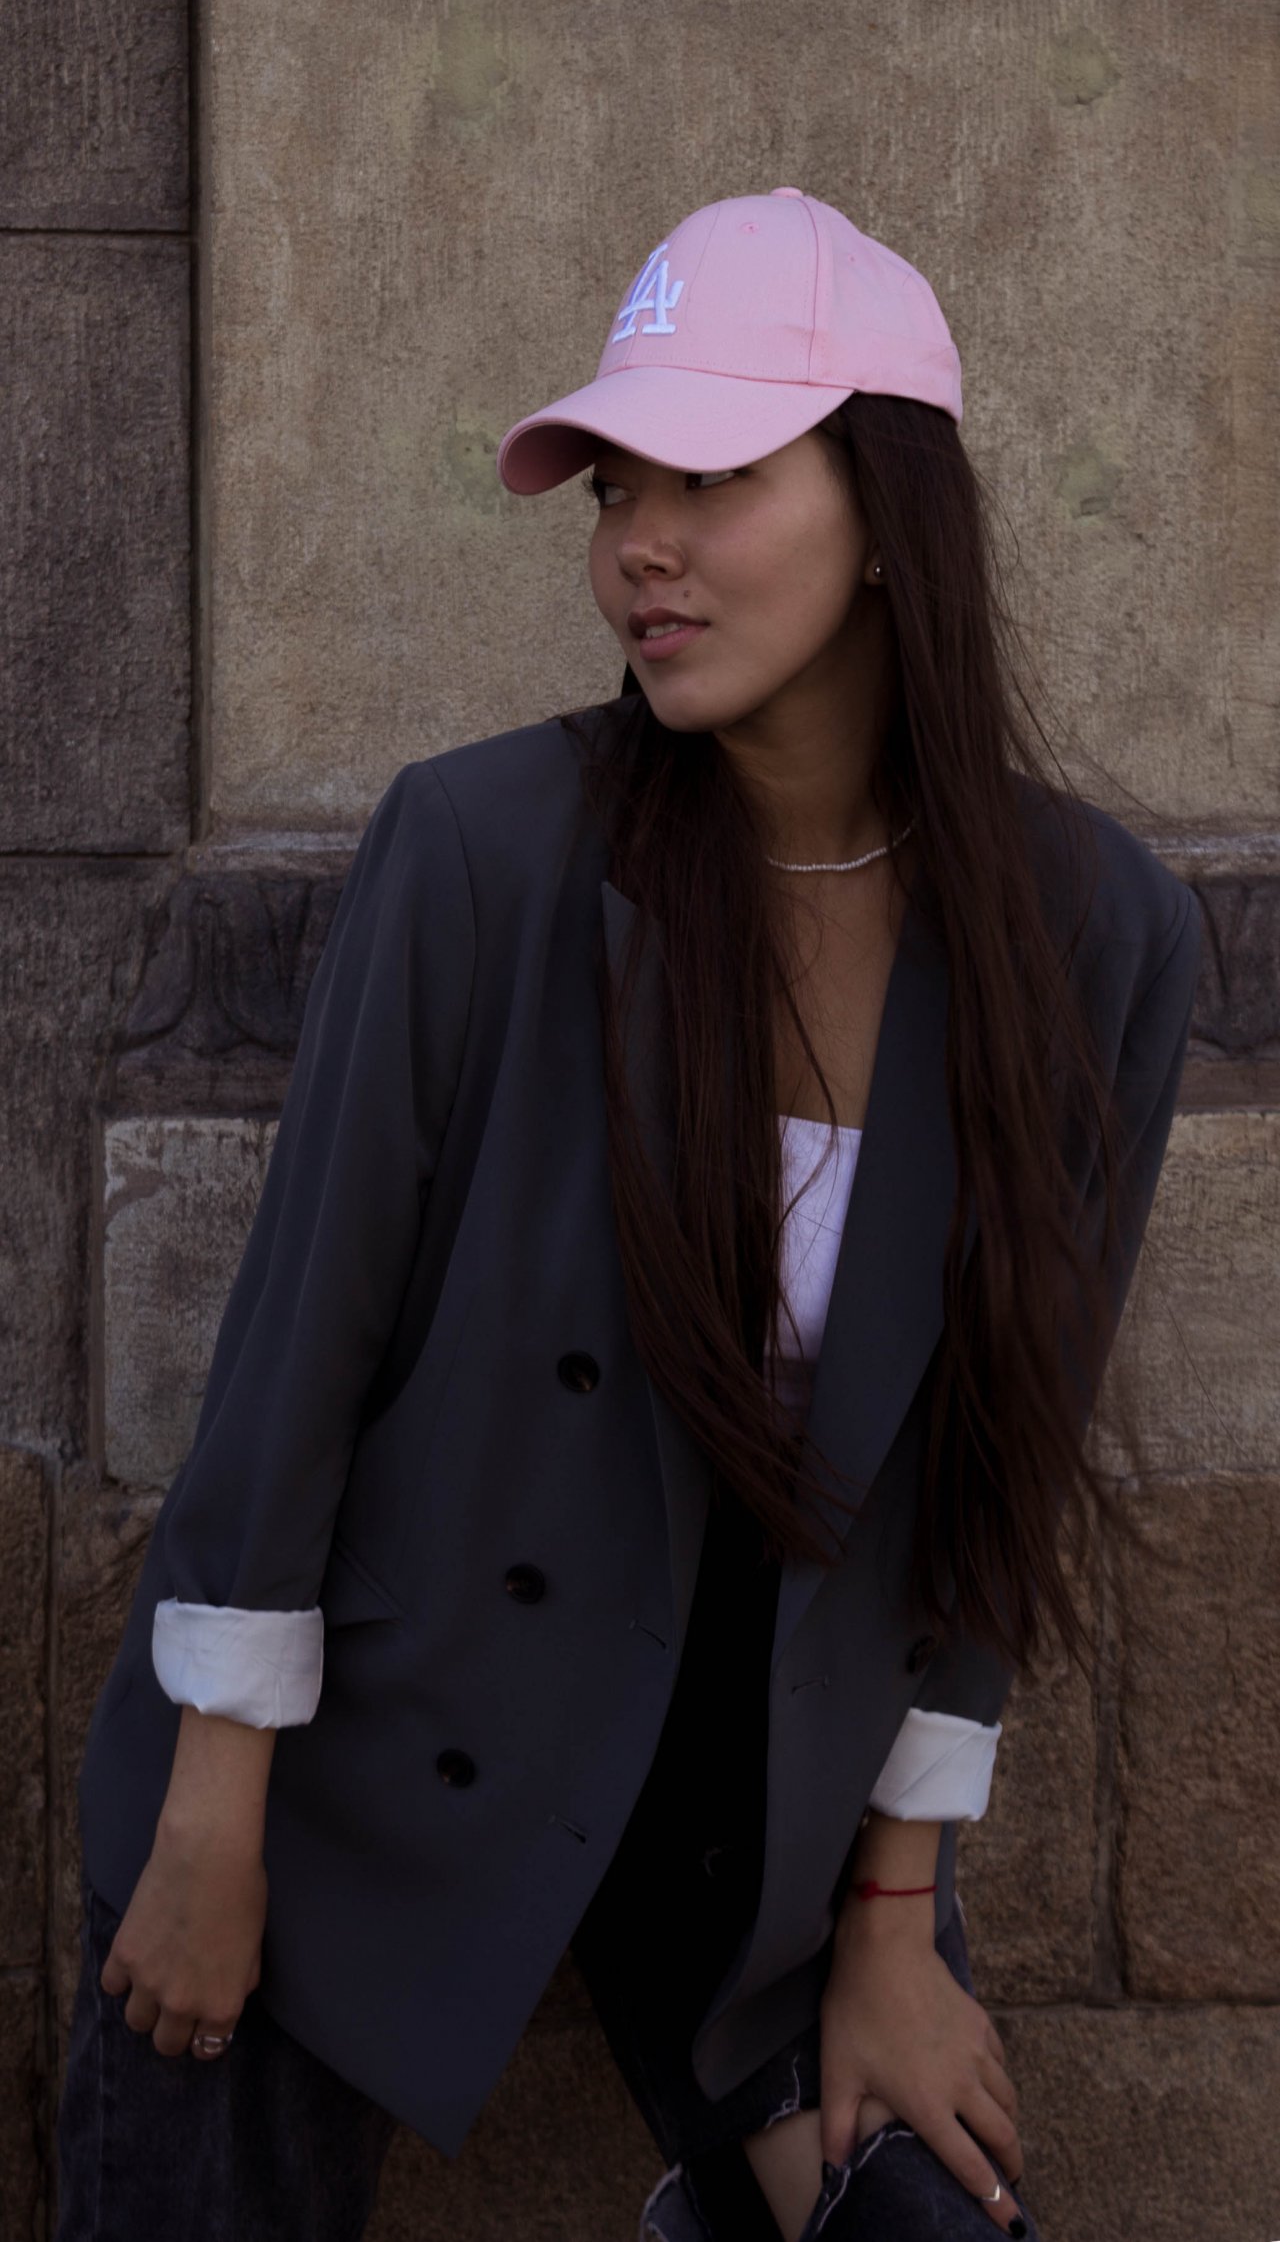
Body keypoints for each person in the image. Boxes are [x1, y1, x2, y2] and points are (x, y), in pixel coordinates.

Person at [56, 189, 1200, 2242]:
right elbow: (295, 1363)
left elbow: (991, 1487)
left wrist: (893, 1915)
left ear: (889, 511)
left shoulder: (1090, 931)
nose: (637, 546)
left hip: (753, 1813)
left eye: (712, 476)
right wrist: (212, 1817)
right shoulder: (481, 849)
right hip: (347, 1757)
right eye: (613, 490)